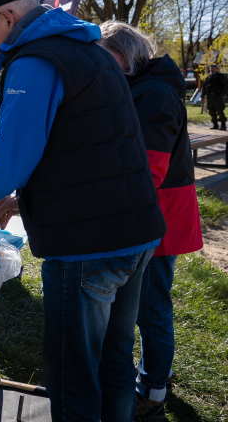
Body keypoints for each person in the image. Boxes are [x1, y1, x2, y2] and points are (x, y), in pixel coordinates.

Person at [0, 0, 167, 422]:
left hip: (86, 242)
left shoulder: (35, 59)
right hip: (136, 229)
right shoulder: (87, 50)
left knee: (73, 375)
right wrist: (24, 198)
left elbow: (4, 167)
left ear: (6, 17)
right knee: (114, 358)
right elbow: (80, 145)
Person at [99, 22, 202, 421]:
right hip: (154, 213)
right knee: (148, 306)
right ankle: (156, 374)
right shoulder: (146, 86)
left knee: (152, 308)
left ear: (126, 54)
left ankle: (153, 391)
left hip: (159, 216)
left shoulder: (154, 93)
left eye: (105, 55)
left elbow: (148, 168)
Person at [202, 62, 227, 130]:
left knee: (220, 111)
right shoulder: (207, 78)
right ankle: (215, 124)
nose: (212, 69)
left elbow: (225, 86)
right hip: (210, 97)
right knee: (211, 111)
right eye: (211, 68)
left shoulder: (221, 77)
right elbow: (204, 87)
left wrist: (222, 95)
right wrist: (202, 96)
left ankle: (223, 125)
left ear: (217, 69)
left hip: (218, 96)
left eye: (213, 68)